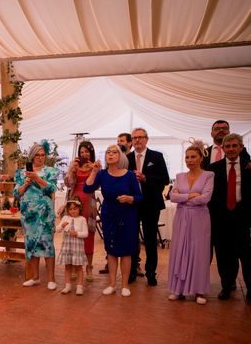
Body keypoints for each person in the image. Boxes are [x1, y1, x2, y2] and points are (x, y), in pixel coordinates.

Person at [84, 145, 142, 297]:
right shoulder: (102, 174)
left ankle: (124, 285)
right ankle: (112, 284)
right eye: (108, 152)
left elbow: (139, 196)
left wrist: (130, 198)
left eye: (114, 152)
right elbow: (87, 189)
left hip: (127, 216)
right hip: (109, 215)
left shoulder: (129, 175)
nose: (110, 154)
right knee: (111, 250)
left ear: (121, 156)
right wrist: (94, 171)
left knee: (126, 251)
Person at [167, 141, 214, 305]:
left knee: (199, 251)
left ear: (201, 157)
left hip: (200, 218)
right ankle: (177, 289)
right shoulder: (179, 176)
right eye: (187, 157)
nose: (189, 160)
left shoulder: (209, 175)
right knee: (179, 249)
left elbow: (205, 198)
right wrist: (189, 196)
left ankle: (199, 290)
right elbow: (172, 197)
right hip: (181, 217)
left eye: (193, 156)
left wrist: (183, 198)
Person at [208, 133, 251, 302]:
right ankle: (226, 286)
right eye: (228, 146)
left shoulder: (249, 166)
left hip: (242, 216)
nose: (231, 149)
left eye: (234, 146)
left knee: (246, 254)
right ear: (223, 148)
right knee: (224, 254)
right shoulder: (214, 168)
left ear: (241, 147)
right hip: (221, 217)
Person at [127, 127, 170, 286]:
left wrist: (145, 178)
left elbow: (165, 179)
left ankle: (151, 272)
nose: (137, 140)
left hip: (151, 204)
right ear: (132, 141)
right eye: (134, 138)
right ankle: (131, 270)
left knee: (150, 239)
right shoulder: (126, 158)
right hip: (132, 204)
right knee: (131, 238)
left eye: (140, 137)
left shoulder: (156, 156)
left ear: (146, 139)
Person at [13, 143, 58, 290]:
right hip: (29, 214)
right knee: (31, 244)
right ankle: (35, 277)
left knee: (47, 244)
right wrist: (26, 183)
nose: (40, 158)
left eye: (43, 155)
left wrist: (37, 178)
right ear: (32, 156)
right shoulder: (21, 173)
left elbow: (52, 188)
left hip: (45, 214)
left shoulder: (51, 171)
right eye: (38, 155)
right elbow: (16, 193)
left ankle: (51, 279)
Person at [64, 141, 98, 281]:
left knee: (88, 235)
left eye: (86, 151)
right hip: (74, 203)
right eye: (82, 152)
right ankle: (73, 266)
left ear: (91, 153)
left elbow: (97, 185)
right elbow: (68, 183)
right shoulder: (75, 165)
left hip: (89, 203)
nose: (84, 154)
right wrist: (72, 169)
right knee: (73, 234)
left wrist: (95, 170)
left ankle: (89, 267)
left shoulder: (94, 167)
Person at [56, 197, 89, 295]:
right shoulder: (65, 218)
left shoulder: (82, 219)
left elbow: (86, 233)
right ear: (67, 210)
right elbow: (57, 230)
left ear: (79, 208)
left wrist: (77, 234)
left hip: (77, 248)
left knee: (79, 267)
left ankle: (79, 287)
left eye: (75, 208)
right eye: (70, 209)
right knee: (67, 266)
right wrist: (62, 225)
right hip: (67, 247)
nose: (73, 211)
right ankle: (67, 286)